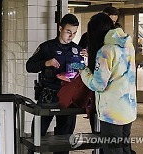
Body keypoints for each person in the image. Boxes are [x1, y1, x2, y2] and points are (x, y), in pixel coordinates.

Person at [26, 13, 85, 154]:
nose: (71, 36)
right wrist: (46, 63)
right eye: (68, 32)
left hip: (68, 97)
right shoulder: (47, 47)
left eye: (75, 33)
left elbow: (82, 72)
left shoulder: (77, 50)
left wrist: (85, 62)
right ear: (60, 29)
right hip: (49, 95)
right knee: (37, 135)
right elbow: (29, 66)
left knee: (65, 139)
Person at [80, 13, 137, 154]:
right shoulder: (128, 46)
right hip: (128, 109)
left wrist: (83, 71)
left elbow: (98, 85)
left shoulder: (106, 51)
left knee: (112, 149)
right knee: (124, 148)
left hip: (112, 112)